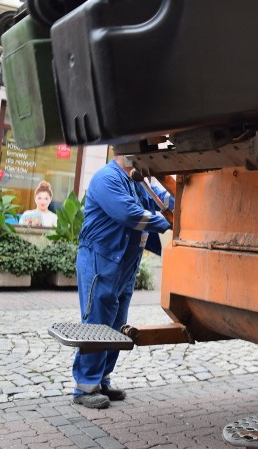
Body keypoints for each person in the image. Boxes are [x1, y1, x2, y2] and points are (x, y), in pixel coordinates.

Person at [72, 155, 174, 409]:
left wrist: (179, 198)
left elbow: (163, 201)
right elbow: (130, 214)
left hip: (124, 265)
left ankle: (103, 380)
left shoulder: (138, 180)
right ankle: (85, 388)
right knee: (96, 323)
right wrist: (170, 222)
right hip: (100, 260)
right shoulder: (106, 178)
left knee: (116, 325)